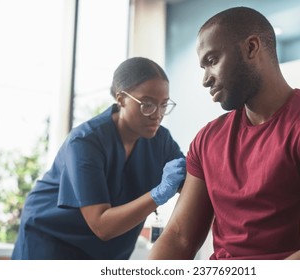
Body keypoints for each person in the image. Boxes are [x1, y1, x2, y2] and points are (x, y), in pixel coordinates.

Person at [148, 7, 300, 260]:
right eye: (203, 67)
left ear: (251, 48)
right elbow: (179, 237)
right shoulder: (206, 141)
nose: (205, 79)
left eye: (212, 61)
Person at [12, 57, 185, 260]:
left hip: (105, 251)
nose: (157, 114)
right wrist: (158, 194)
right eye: (147, 104)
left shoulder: (161, 141)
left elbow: (192, 180)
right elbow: (102, 225)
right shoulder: (85, 141)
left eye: (163, 105)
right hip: (50, 240)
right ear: (121, 99)